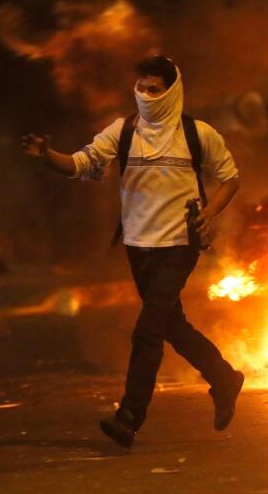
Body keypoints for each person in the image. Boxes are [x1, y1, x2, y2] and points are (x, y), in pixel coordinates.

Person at [21, 55, 244, 448]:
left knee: (148, 331)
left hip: (179, 246)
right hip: (139, 247)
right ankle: (224, 378)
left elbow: (229, 178)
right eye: (140, 87)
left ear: (172, 90)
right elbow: (80, 164)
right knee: (172, 326)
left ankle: (129, 416)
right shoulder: (124, 131)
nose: (144, 94)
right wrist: (46, 157)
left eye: (153, 89)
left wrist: (208, 214)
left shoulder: (197, 134)